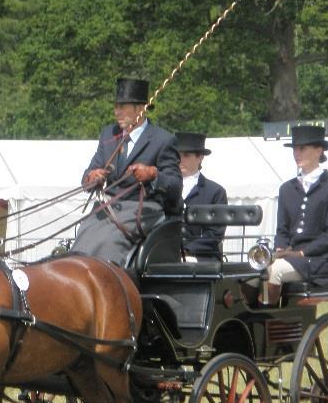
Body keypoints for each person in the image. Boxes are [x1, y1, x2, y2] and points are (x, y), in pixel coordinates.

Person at [72, 77, 182, 265]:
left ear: (140, 109)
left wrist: (153, 174)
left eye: (122, 107)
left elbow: (175, 186)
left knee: (109, 244)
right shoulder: (109, 134)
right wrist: (92, 177)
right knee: (80, 241)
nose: (117, 113)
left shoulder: (163, 140)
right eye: (115, 107)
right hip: (107, 208)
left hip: (143, 209)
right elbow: (88, 174)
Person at [256, 125, 328, 306]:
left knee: (275, 271)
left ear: (319, 150)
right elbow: (282, 230)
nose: (296, 154)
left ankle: (269, 318)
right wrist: (280, 248)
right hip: (291, 256)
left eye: (302, 148)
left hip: (321, 259)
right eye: (295, 149)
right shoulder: (287, 189)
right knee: (250, 271)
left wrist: (301, 252)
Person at [177, 132, 228, 261]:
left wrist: (187, 250)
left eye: (186, 155)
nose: (180, 160)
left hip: (201, 255)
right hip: (168, 252)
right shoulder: (165, 187)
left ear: (200, 158)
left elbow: (215, 233)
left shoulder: (215, 192)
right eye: (178, 155)